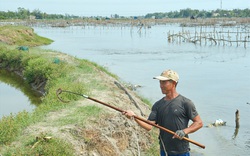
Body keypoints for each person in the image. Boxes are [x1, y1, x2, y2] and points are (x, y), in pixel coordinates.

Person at [123, 69, 203, 156]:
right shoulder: (158, 105)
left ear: (174, 83)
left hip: (182, 151)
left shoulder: (185, 103)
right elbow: (149, 126)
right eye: (160, 82)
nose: (161, 85)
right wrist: (134, 116)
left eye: (164, 82)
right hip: (164, 150)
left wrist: (185, 131)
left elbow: (199, 123)